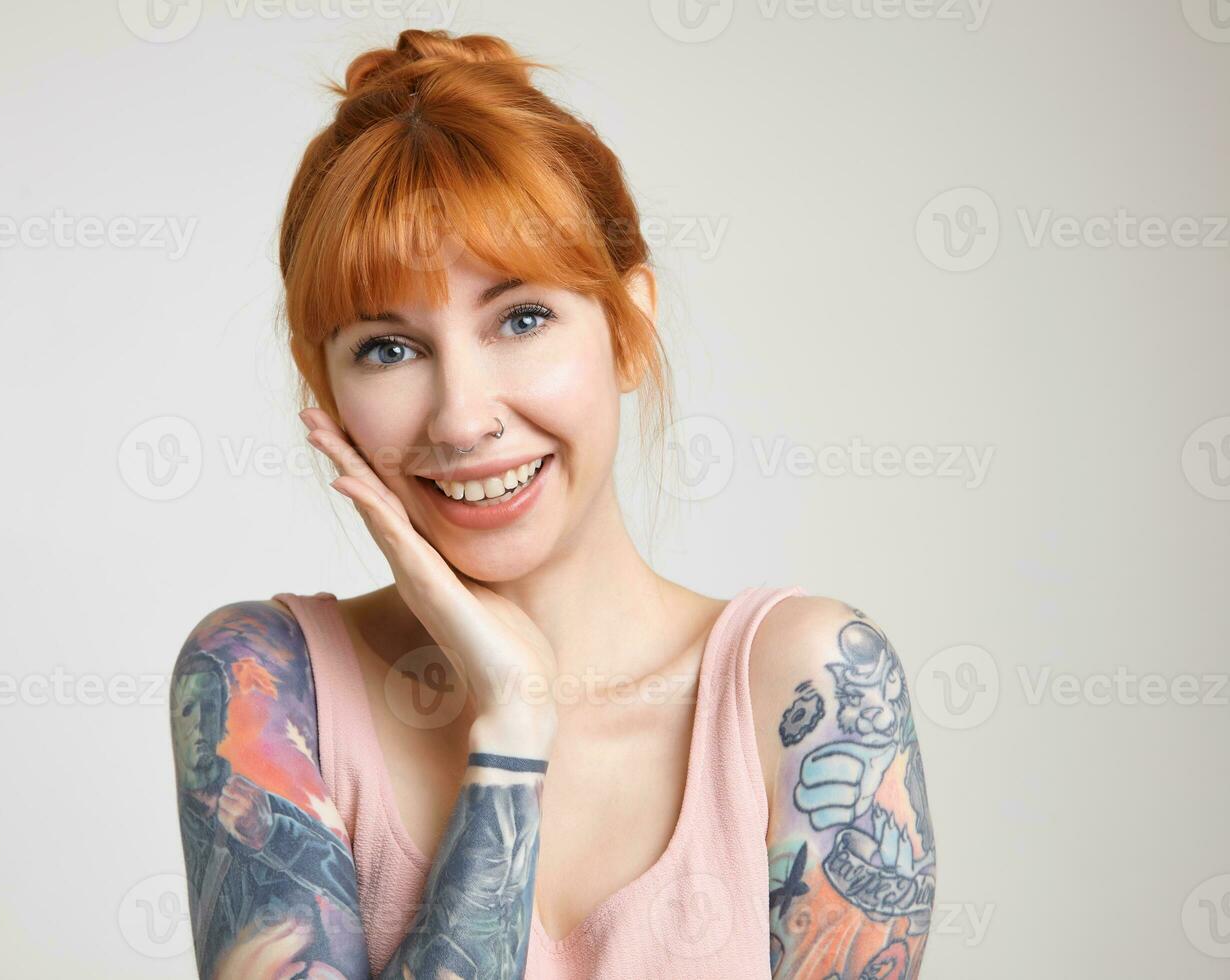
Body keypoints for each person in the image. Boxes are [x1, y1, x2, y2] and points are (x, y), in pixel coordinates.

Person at [169, 28, 936, 980]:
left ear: (625, 329)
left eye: (521, 318)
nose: (462, 417)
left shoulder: (811, 689)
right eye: (388, 347)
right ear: (319, 387)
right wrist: (511, 734)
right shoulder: (262, 687)